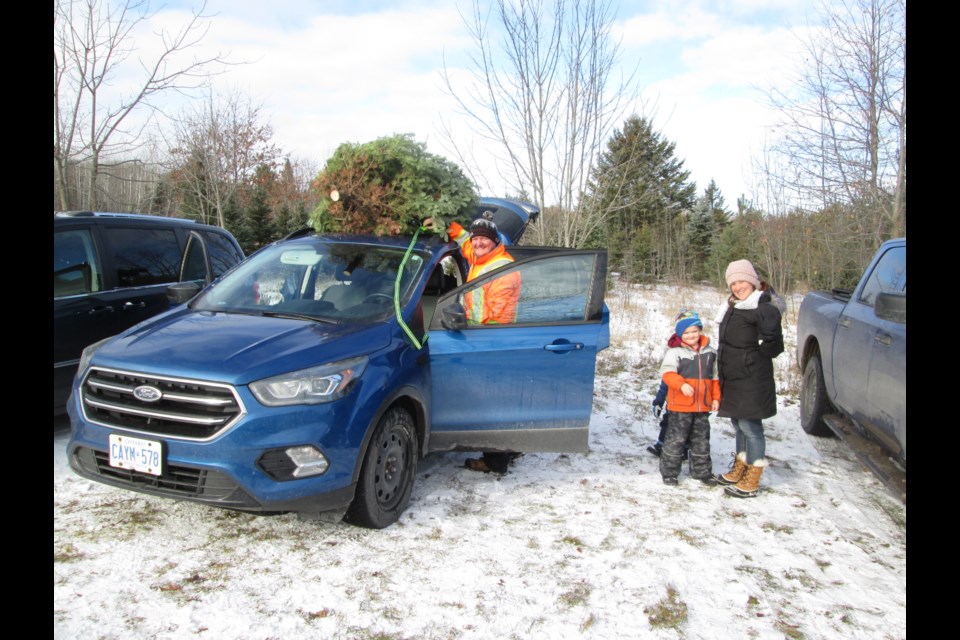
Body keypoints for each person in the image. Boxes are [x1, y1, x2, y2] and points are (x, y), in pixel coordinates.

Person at [426, 211, 522, 473]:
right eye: (478, 240)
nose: (478, 244)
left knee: (491, 403)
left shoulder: (502, 270)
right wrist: (446, 226)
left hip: (491, 343)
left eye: (484, 240)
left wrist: (474, 341)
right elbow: (466, 239)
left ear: (495, 242)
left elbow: (497, 317)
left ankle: (495, 461)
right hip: (481, 339)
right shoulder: (481, 256)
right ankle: (512, 447)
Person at [714, 259, 785, 498]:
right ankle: (740, 469)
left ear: (753, 282)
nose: (737, 286)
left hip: (751, 378)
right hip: (733, 376)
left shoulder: (762, 307)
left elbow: (774, 345)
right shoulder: (734, 305)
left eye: (742, 281)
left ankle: (752, 478)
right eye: (733, 282)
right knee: (738, 425)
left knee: (751, 427)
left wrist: (753, 358)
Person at [658, 310, 721, 486]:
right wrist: (680, 384)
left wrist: (715, 398)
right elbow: (667, 373)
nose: (691, 335)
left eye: (694, 331)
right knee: (676, 439)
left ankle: (702, 472)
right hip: (680, 406)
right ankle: (669, 472)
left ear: (700, 331)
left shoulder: (710, 352)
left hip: (702, 406)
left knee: (701, 440)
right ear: (680, 335)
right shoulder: (675, 353)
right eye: (686, 333)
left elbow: (715, 378)